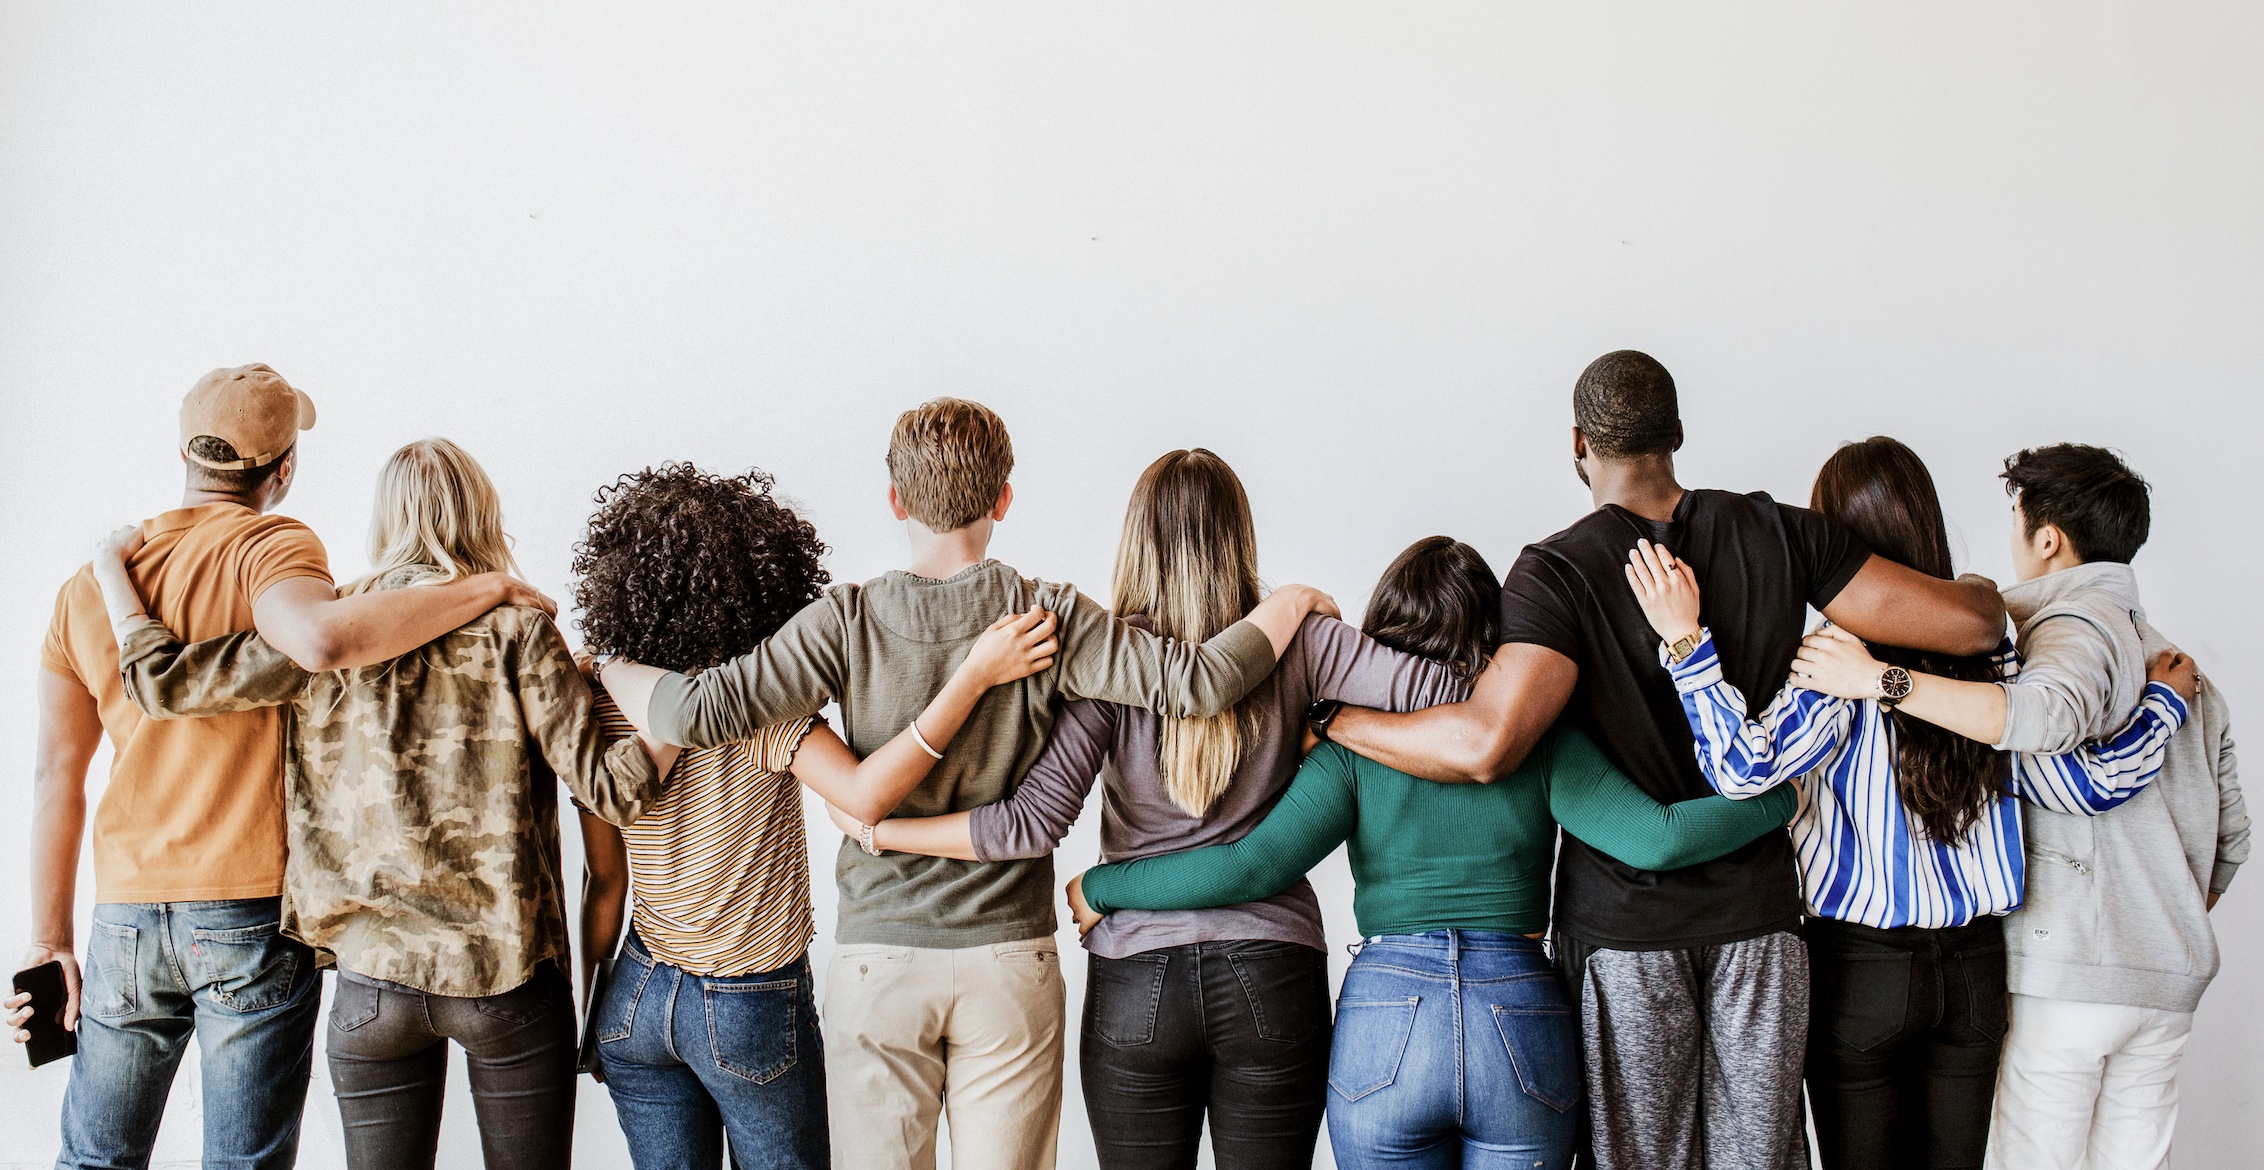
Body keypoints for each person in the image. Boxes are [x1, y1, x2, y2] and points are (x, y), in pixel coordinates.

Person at [598, 400, 1339, 1170]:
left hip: (879, 960)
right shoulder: (1047, 614)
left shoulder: (843, 621)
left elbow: (694, 710)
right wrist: (1287, 603)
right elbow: (1198, 682)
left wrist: (611, 665)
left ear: (895, 500)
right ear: (1003, 500)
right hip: (1008, 959)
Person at [1315, 352, 2007, 1170]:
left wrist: (1339, 723)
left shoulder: (1555, 571)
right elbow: (1972, 626)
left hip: (1624, 934)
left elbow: (1486, 744)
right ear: (1676, 434)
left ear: (1577, 443)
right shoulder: (1785, 533)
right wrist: (1985, 587)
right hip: (1760, 924)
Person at [1061, 535, 1803, 1170]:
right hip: (1519, 1013)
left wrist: (1107, 884)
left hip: (1388, 1019)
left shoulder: (1351, 745)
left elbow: (1247, 868)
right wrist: (1780, 797)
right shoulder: (1533, 739)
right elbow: (1657, 837)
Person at [820, 450, 1462, 1170]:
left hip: (1138, 979)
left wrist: (882, 829)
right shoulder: (1305, 641)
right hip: (1275, 973)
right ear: (1239, 537)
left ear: (1136, 541)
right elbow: (1449, 691)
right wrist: (1334, 722)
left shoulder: (1110, 662)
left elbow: (1028, 824)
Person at [4, 369, 551, 1170]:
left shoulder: (85, 589)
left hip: (121, 915)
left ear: (185, 451)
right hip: (248, 908)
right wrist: (488, 587)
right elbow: (324, 640)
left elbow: (57, 774)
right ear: (282, 467)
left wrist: (49, 939)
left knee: (93, 1160)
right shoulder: (272, 545)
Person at [82, 438, 671, 1170]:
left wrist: (110, 571)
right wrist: (677, 708)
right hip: (507, 979)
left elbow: (162, 684)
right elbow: (613, 791)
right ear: (481, 513)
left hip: (370, 989)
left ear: (385, 520)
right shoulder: (519, 628)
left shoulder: (325, 627)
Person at [1621, 436, 2196, 1170]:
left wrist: (1685, 642)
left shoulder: (1833, 657)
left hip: (1862, 969)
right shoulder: (1993, 651)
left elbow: (1741, 768)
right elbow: (2076, 785)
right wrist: (2161, 710)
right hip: (1975, 971)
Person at [568, 463, 1059, 1170]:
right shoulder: (767, 709)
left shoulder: (601, 705)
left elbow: (604, 883)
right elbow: (863, 793)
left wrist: (595, 1011)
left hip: (636, 995)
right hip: (748, 1002)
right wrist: (972, 679)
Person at [1788, 443, 2248, 1170]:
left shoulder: (2039, 642)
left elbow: (2063, 762)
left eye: (2015, 519)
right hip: (2105, 974)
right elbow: (2231, 843)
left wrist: (1879, 681)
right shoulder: (2162, 666)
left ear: (2046, 538)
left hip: (2017, 971)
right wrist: (2163, 921)